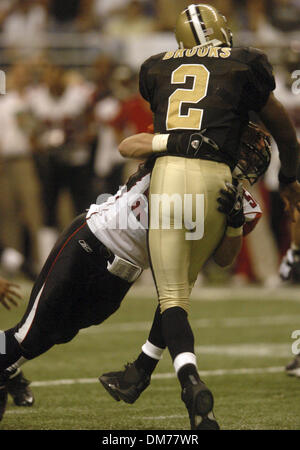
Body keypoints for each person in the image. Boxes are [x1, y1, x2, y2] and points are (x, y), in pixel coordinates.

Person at [99, 3, 300, 431]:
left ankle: (189, 383)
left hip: (170, 172)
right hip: (219, 179)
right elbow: (282, 127)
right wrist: (289, 179)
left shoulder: (155, 67)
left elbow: (163, 128)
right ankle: (138, 372)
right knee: (183, 283)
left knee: (172, 294)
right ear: (220, 32)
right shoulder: (246, 62)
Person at [0, 121, 268, 423]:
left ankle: (9, 367)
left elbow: (222, 261)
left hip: (123, 275)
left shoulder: (236, 200)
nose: (243, 160)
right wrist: (176, 143)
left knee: (54, 335)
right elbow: (127, 145)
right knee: (28, 335)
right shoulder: (181, 158)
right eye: (240, 149)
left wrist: (233, 224)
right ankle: (5, 363)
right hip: (91, 241)